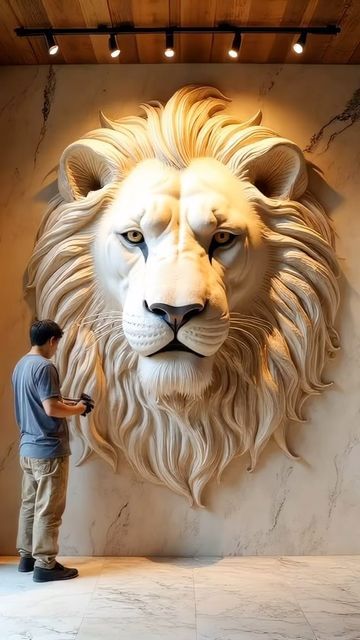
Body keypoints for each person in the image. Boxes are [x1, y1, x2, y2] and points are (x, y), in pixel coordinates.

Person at [12, 319, 90, 583]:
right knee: (49, 508)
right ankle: (45, 564)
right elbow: (51, 409)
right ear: (52, 341)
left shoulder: (21, 365)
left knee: (30, 505)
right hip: (48, 450)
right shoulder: (46, 366)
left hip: (27, 449)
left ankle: (27, 557)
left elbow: (46, 400)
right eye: (57, 343)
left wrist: (73, 401)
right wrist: (78, 410)